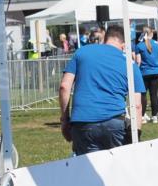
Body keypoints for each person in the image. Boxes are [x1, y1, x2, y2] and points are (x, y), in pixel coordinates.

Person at [59, 25, 145, 155]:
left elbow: (64, 86)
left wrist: (65, 120)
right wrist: (136, 133)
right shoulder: (130, 63)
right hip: (114, 122)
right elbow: (137, 105)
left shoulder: (82, 52)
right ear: (123, 44)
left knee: (87, 171)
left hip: (83, 123)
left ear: (105, 38)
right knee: (117, 169)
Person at [134, 26, 158, 123]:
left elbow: (138, 61)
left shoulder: (139, 46)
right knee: (154, 94)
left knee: (143, 95)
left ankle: (142, 116)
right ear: (152, 33)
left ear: (143, 34)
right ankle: (155, 116)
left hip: (144, 73)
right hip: (156, 72)